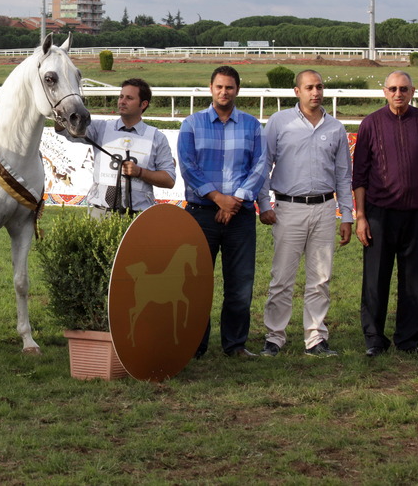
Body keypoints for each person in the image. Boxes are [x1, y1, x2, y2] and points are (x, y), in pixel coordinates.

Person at [257, 70, 353, 357]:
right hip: (288, 209)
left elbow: (343, 176)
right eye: (309, 87)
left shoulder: (335, 128)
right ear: (297, 91)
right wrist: (263, 205)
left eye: (320, 86)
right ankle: (274, 337)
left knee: (321, 278)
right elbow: (264, 165)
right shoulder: (279, 122)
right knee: (282, 278)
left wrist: (346, 214)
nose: (316, 92)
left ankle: (316, 338)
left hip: (325, 209)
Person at [177, 65, 267, 358]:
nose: (224, 92)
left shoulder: (252, 126)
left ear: (237, 90)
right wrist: (219, 199)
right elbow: (188, 167)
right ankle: (195, 345)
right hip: (202, 213)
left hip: (239, 216)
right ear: (210, 88)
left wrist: (235, 201)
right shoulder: (192, 124)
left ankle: (235, 344)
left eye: (229, 87)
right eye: (219, 87)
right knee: (196, 283)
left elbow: (259, 167)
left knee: (240, 284)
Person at [353, 70, 418, 356]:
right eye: (393, 89)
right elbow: (360, 174)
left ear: (413, 91)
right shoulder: (371, 123)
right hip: (379, 212)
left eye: (404, 89)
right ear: (384, 91)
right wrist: (361, 216)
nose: (398, 94)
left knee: (414, 279)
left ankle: (409, 340)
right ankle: (375, 340)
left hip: (415, 211)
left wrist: (409, 186)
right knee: (376, 278)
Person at [60, 78, 175, 216]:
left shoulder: (157, 137)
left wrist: (140, 172)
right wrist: (61, 105)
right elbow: (65, 130)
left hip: (138, 215)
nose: (122, 101)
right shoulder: (100, 128)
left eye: (129, 98)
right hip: (100, 212)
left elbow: (169, 179)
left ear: (143, 104)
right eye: (121, 96)